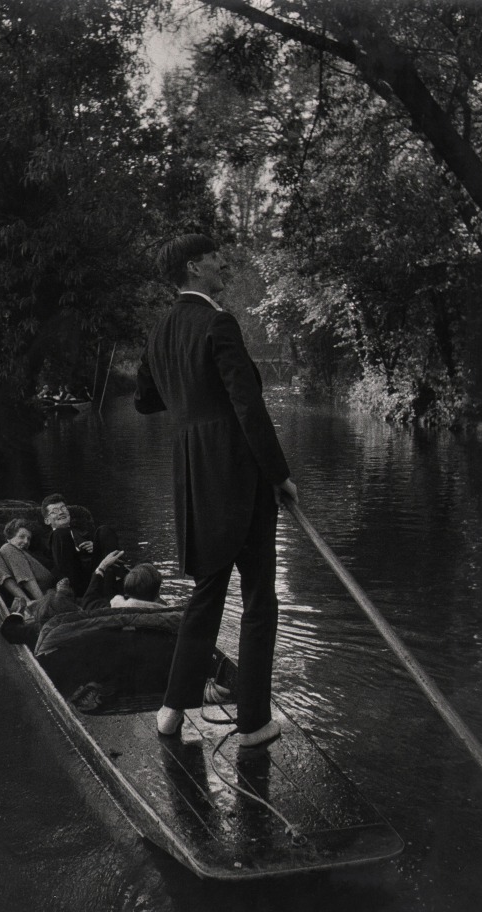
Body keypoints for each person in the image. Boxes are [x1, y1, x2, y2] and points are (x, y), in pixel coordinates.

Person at [135, 233, 298, 747]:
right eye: (213, 258)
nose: (222, 263)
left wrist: (190, 405)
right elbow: (249, 409)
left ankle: (170, 710)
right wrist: (279, 476)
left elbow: (144, 400)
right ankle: (252, 723)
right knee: (258, 598)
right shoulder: (218, 322)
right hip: (238, 474)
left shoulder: (160, 331)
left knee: (206, 595)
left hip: (191, 477)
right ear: (193, 267)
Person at [41, 493, 124, 597]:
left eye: (63, 508)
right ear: (47, 520)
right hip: (74, 581)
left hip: (96, 573)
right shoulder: (45, 541)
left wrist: (95, 547)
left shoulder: (83, 533)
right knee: (60, 533)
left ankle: (120, 581)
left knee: (104, 530)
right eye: (55, 511)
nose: (61, 512)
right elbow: (52, 565)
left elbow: (101, 551)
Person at [0, 518, 56, 604]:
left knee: (7, 548)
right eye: (22, 537)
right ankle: (27, 603)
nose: (26, 541)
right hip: (20, 591)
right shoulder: (2, 554)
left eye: (28, 539)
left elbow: (49, 570)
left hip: (42, 583)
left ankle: (43, 604)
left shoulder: (28, 552)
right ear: (9, 538)